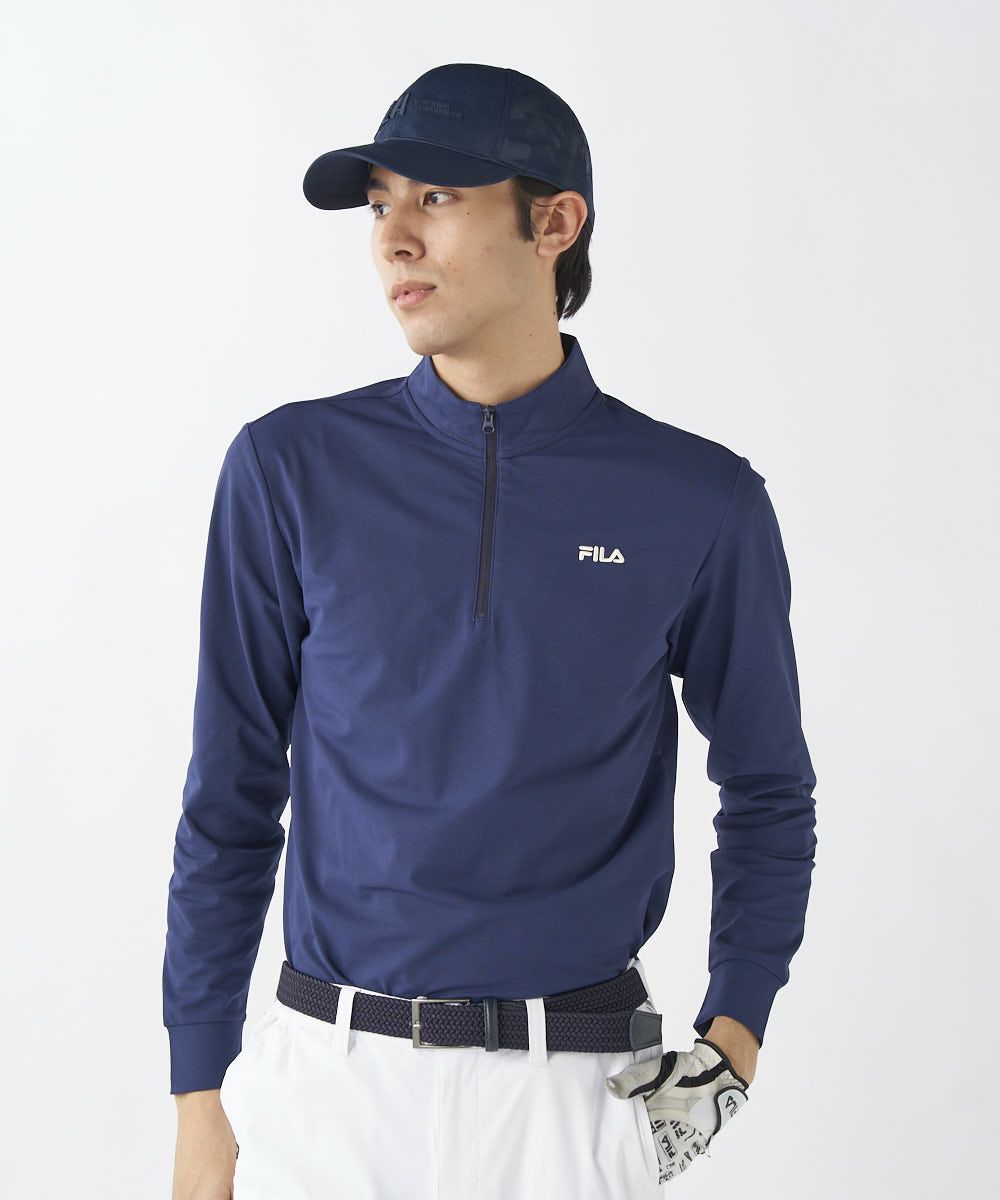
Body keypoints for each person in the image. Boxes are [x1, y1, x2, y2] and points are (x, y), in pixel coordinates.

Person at [164, 62, 818, 1200]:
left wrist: (733, 1044)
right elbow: (229, 794)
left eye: (436, 198)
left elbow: (767, 790)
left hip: (573, 1104)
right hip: (326, 1094)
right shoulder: (288, 469)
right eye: (380, 204)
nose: (393, 238)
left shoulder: (696, 500)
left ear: (553, 223)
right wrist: (200, 1100)